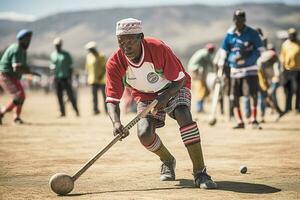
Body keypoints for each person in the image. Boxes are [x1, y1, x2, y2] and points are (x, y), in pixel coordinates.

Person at [105, 18, 217, 189]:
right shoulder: (115, 63)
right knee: (144, 134)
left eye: (130, 42)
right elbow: (112, 99)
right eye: (121, 42)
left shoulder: (158, 49)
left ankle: (200, 172)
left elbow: (179, 80)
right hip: (145, 95)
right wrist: (116, 122)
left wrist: (165, 97)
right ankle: (167, 160)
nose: (125, 47)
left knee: (182, 113)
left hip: (174, 87)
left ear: (141, 37)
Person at [218, 9, 264, 129]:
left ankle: (254, 120)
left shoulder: (253, 33)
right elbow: (224, 51)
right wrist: (222, 63)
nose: (238, 22)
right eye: (236, 20)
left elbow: (261, 50)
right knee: (234, 96)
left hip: (250, 69)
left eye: (241, 20)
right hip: (235, 71)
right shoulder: (230, 35)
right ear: (234, 20)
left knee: (253, 94)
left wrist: (251, 58)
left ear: (244, 20)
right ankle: (240, 121)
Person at [0, 29, 40, 124]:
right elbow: (16, 67)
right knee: (19, 95)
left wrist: (31, 72)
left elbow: (23, 67)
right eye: (27, 39)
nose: (29, 41)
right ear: (21, 39)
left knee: (22, 96)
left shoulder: (22, 51)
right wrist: (29, 72)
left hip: (13, 76)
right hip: (5, 75)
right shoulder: (16, 48)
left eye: (30, 39)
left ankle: (16, 117)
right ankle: (2, 112)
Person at [50, 37, 79, 117]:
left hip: (65, 78)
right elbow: (52, 66)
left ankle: (76, 111)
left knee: (70, 95)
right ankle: (62, 112)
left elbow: (70, 67)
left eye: (58, 45)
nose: (57, 46)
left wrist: (70, 78)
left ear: (61, 45)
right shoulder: (53, 55)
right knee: (59, 96)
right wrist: (52, 75)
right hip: (57, 78)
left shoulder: (66, 55)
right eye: (56, 45)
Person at [257, 44, 284, 121]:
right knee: (264, 97)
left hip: (272, 80)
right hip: (264, 79)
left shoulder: (275, 59)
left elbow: (277, 73)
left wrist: (273, 83)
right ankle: (264, 115)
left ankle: (276, 112)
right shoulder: (262, 60)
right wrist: (264, 85)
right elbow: (260, 73)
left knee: (270, 96)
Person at [187, 43, 216, 113]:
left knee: (202, 88)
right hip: (196, 71)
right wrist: (215, 71)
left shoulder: (202, 52)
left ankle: (200, 107)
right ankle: (199, 108)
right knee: (201, 88)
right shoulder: (205, 54)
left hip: (194, 70)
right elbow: (211, 64)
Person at [279, 28, 300, 113]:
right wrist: (282, 67)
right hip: (287, 70)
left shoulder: (299, 43)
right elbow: (282, 56)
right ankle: (288, 107)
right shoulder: (285, 44)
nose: (292, 36)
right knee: (287, 89)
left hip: (297, 69)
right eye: (291, 34)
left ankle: (297, 107)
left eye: (294, 34)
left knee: (297, 89)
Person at [85, 41, 107, 115]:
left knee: (104, 95)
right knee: (94, 96)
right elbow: (87, 68)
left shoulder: (101, 55)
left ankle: (106, 110)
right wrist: (87, 76)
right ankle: (95, 110)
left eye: (91, 49)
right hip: (92, 80)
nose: (90, 51)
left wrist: (100, 76)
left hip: (101, 80)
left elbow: (104, 67)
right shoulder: (88, 56)